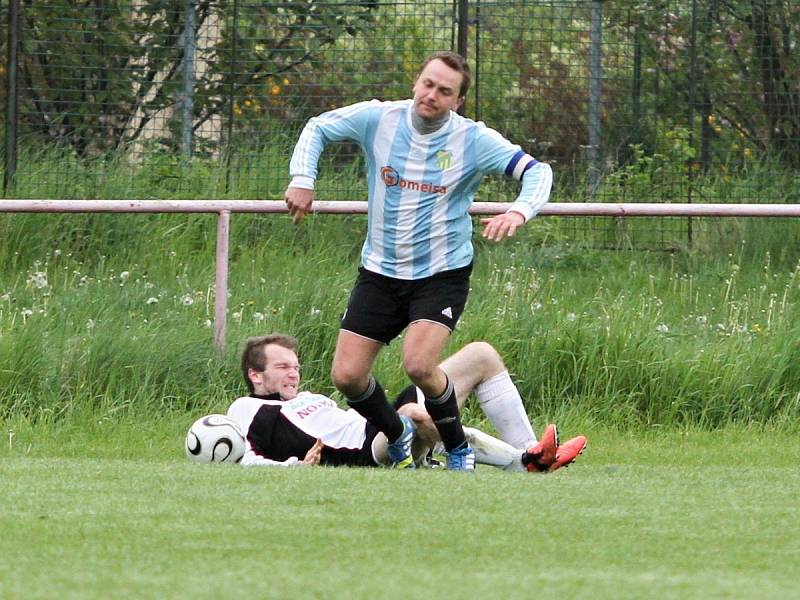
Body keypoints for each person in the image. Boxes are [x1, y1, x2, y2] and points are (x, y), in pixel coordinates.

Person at [284, 51, 553, 470]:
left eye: (444, 91)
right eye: (427, 84)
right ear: (416, 82)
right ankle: (398, 433)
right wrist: (303, 179)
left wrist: (518, 211)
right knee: (347, 377)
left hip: (440, 273)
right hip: (379, 271)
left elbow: (538, 172)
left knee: (418, 365)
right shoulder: (379, 119)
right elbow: (317, 127)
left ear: (458, 101)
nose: (431, 95)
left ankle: (458, 447)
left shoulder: (474, 139)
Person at [226, 333, 586, 471]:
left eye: (296, 367)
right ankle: (522, 463)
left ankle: (532, 450)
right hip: (370, 450)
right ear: (256, 376)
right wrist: (293, 467)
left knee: (481, 354)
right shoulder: (246, 408)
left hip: (377, 425)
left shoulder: (309, 397)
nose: (294, 374)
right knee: (414, 413)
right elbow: (245, 459)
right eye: (283, 367)